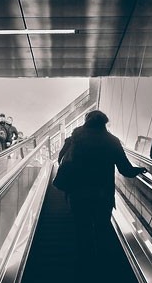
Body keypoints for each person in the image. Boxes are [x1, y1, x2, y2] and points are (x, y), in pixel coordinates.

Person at [57, 110, 147, 263]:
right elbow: (125, 169)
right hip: (102, 194)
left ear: (86, 121)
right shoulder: (112, 141)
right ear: (105, 123)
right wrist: (139, 170)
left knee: (82, 228)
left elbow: (61, 160)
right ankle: (102, 263)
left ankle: (84, 262)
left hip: (78, 193)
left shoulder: (74, 138)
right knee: (102, 227)